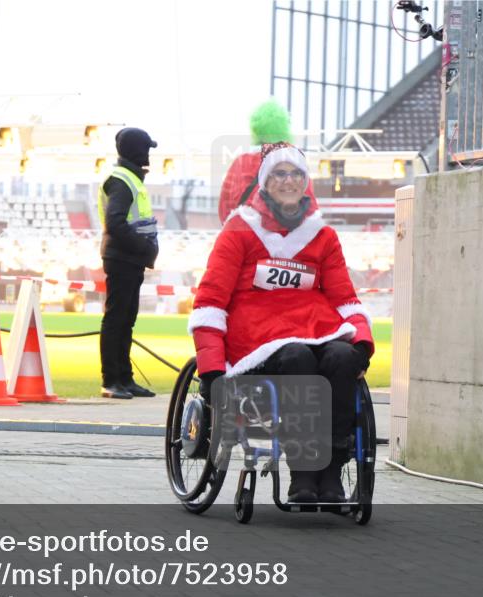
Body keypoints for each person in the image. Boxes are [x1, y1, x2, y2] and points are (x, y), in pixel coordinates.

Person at [190, 144, 374, 504]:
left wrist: (362, 342)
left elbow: (345, 299)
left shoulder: (322, 236)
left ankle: (331, 471)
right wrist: (211, 368)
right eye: (279, 173)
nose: (288, 181)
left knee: (342, 357)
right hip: (259, 337)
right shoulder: (239, 231)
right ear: (264, 182)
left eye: (296, 174)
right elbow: (211, 302)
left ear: (306, 182)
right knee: (297, 359)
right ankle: (304, 471)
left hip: (315, 327)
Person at [97, 127, 160, 400]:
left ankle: (124, 378)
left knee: (125, 321)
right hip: (122, 258)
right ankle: (112, 380)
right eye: (146, 148)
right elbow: (115, 223)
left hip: (129, 260)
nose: (148, 155)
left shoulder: (131, 179)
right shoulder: (122, 180)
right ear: (138, 150)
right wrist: (144, 247)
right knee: (117, 320)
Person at [217, 99, 318, 224]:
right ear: (285, 129)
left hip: (247, 237)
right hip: (289, 238)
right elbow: (311, 209)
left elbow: (224, 212)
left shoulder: (241, 163)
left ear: (255, 129)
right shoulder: (295, 163)